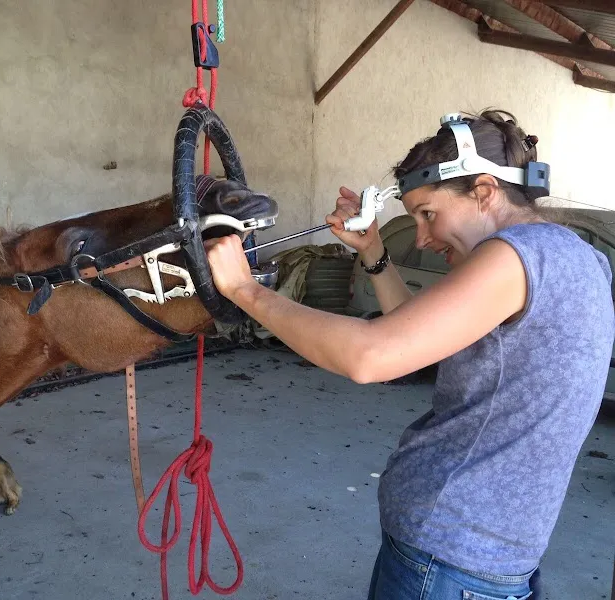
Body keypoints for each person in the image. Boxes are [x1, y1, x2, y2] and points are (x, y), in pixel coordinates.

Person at [205, 109, 614, 600]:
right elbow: (417, 341)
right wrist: (374, 254)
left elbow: (371, 356)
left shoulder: (516, 256)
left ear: (485, 191)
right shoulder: (576, 258)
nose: (421, 237)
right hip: (493, 558)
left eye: (428, 214)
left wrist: (245, 291)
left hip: (451, 559)